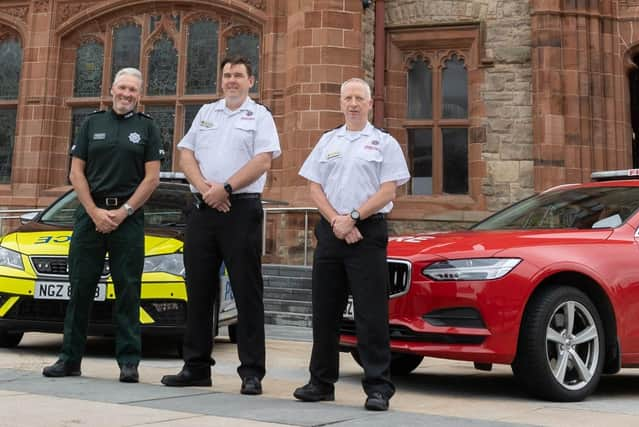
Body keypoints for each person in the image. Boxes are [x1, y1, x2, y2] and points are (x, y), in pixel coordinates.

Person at [161, 55, 281, 395]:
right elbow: (186, 154)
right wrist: (205, 188)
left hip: (239, 209)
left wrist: (225, 188)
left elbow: (263, 160)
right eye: (227, 75)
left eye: (238, 76)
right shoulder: (207, 112)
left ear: (250, 81)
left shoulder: (260, 116)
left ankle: (252, 372)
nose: (231, 80)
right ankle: (196, 366)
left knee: (247, 291)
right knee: (198, 290)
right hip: (202, 208)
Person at [294, 78, 410, 411]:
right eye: (348, 98)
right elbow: (314, 188)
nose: (353, 103)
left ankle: (378, 387)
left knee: (371, 314)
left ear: (370, 103)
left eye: (359, 98)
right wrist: (337, 221)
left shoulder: (383, 143)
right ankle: (321, 382)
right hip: (332, 232)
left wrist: (354, 217)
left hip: (367, 233)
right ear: (341, 103)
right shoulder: (328, 140)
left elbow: (389, 191)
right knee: (325, 312)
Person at [42, 67, 162, 383]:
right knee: (80, 288)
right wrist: (94, 212)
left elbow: (152, 178)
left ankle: (128, 362)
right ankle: (69, 359)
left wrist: (123, 212)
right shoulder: (91, 123)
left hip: (129, 218)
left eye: (132, 90)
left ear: (139, 94)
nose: (126, 94)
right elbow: (75, 173)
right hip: (89, 217)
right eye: (122, 88)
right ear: (111, 90)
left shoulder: (148, 129)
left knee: (128, 291)